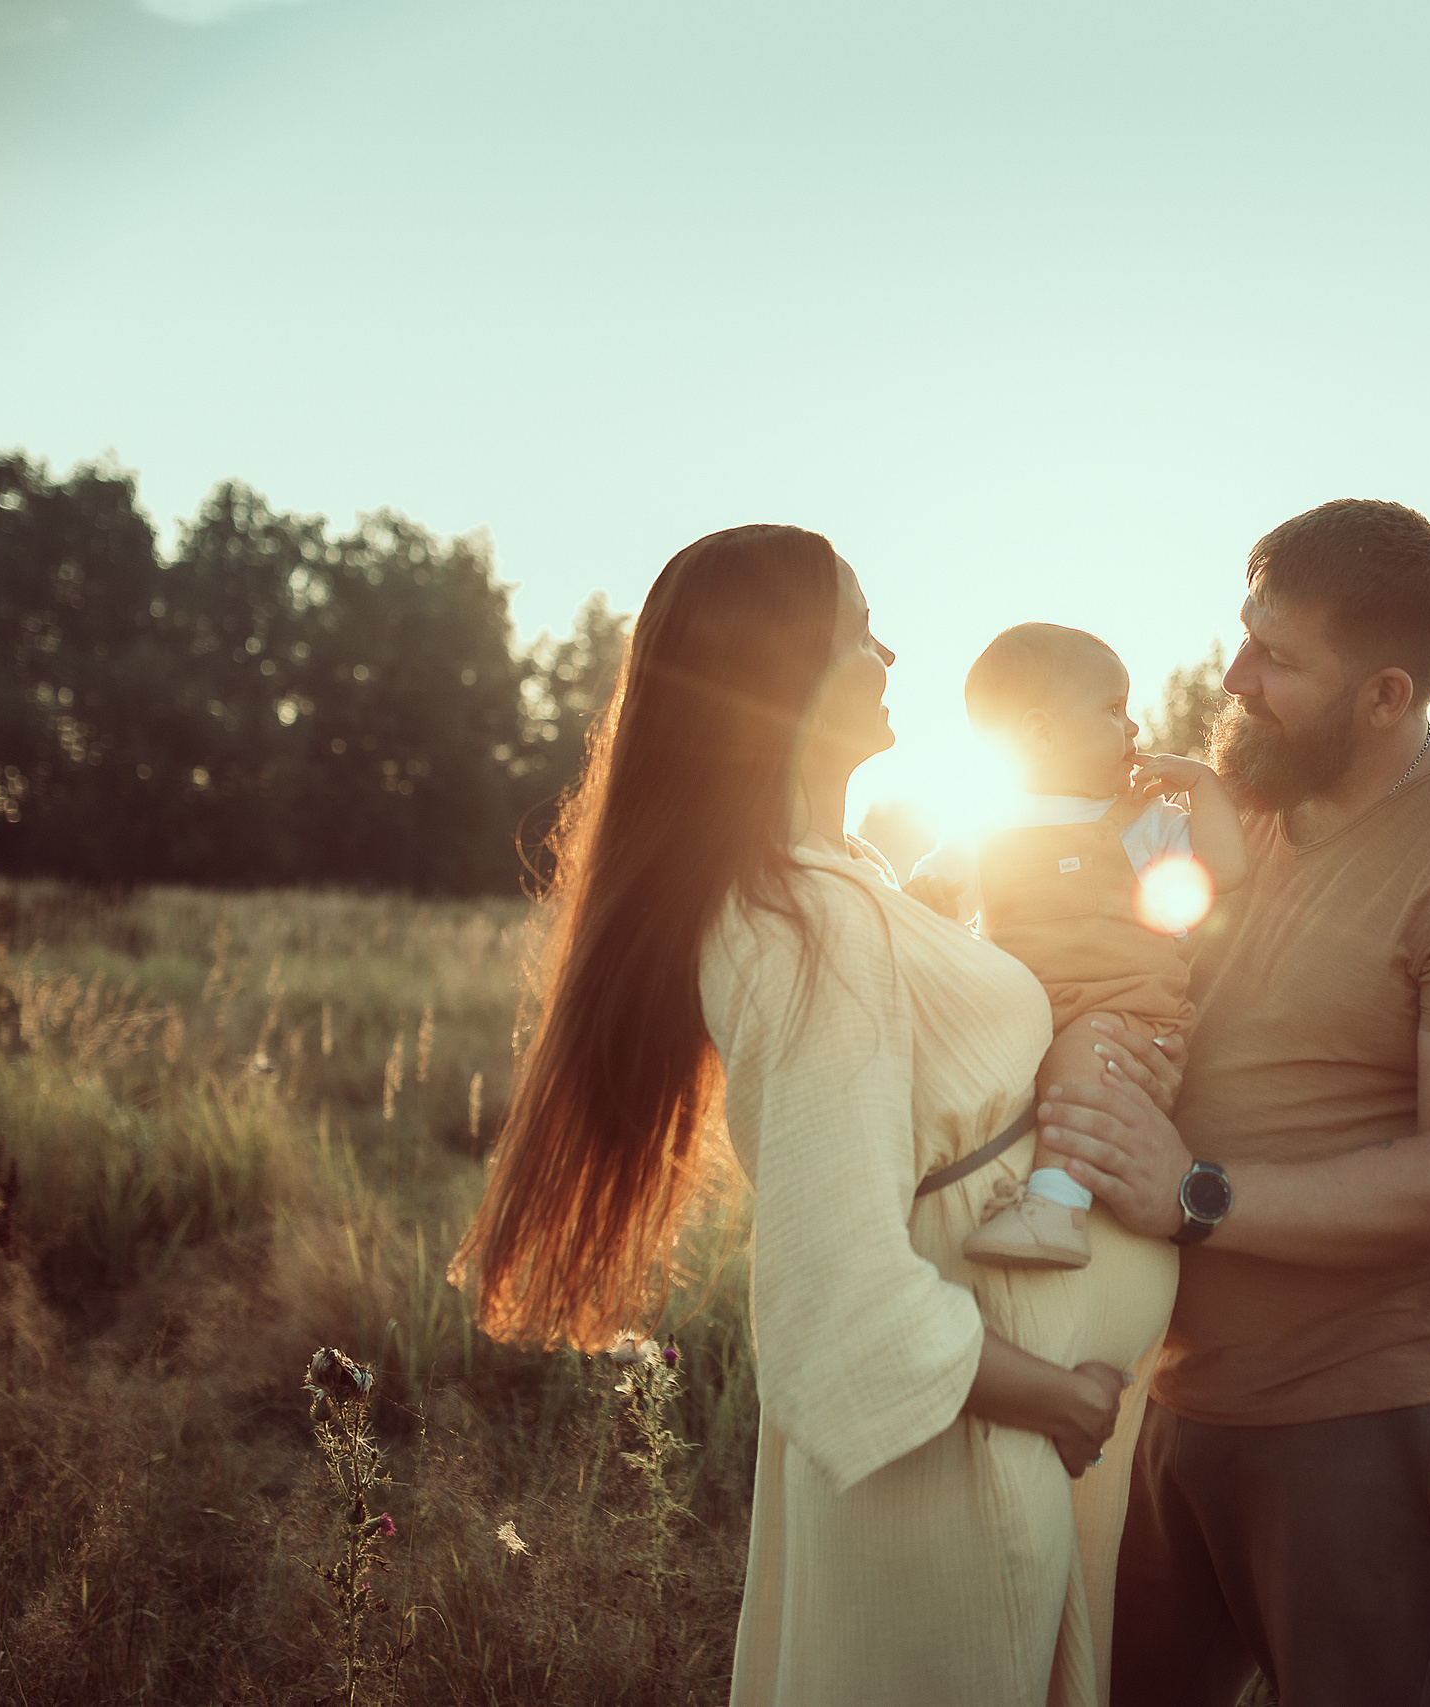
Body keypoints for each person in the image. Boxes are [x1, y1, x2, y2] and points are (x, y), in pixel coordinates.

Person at [446, 526, 1182, 1707]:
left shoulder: (839, 882)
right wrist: (1055, 1395)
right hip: (964, 1469)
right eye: (858, 632)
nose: (888, 655)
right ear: (779, 674)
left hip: (993, 1449)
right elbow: (837, 1293)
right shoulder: (801, 925)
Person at [1035, 500, 1430, 1706]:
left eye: (1278, 659)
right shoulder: (1229, 811)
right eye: (1245, 636)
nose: (1234, 679)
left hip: (1357, 1432)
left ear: (1386, 695)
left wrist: (1190, 1194)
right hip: (1158, 1402)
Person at [906, 622, 1247, 1271]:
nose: (1134, 727)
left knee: (1080, 1058)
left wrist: (1204, 786)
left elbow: (1225, 869)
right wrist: (927, 895)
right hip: (1028, 1015)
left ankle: (1056, 1207)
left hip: (1122, 1019)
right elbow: (933, 904)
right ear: (1039, 733)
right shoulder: (984, 830)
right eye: (1112, 709)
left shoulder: (1143, 822)